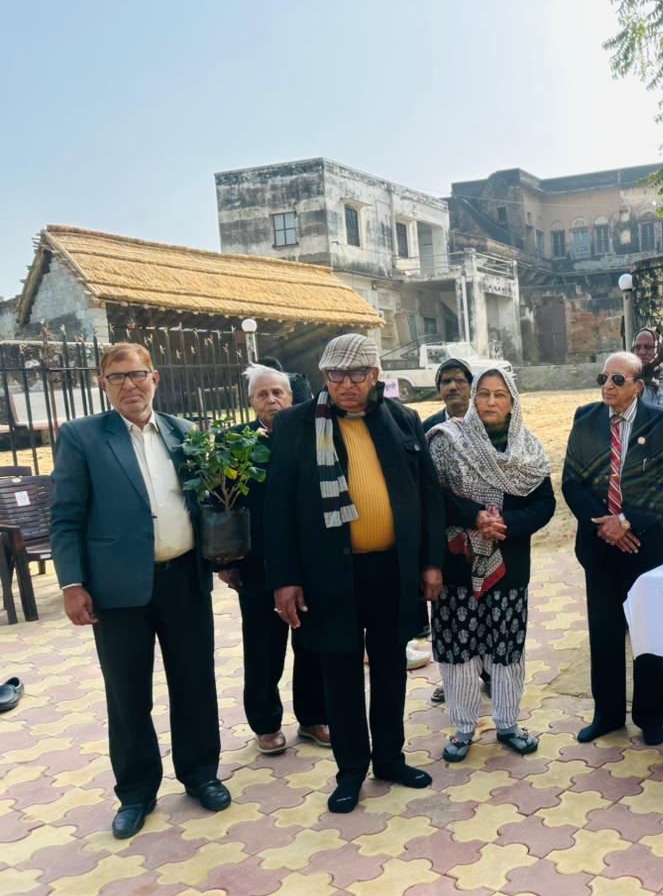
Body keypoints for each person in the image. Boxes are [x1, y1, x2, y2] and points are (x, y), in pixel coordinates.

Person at [50, 342, 229, 839]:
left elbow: (209, 501)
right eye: (117, 377)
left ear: (155, 377)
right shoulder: (84, 437)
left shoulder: (185, 433)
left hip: (184, 580)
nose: (129, 385)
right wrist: (72, 583)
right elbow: (66, 516)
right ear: (102, 385)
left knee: (195, 684)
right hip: (117, 590)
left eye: (137, 375)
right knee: (127, 694)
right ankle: (135, 792)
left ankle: (201, 775)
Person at [265, 333, 445, 813]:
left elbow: (427, 496)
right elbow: (277, 509)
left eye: (357, 374)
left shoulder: (402, 420)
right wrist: (284, 579)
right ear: (325, 377)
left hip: (392, 569)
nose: (346, 385)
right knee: (340, 672)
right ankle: (350, 771)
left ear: (375, 375)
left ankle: (390, 758)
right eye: (336, 375)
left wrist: (431, 562)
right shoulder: (296, 425)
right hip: (328, 574)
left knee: (390, 666)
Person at [428, 368, 554, 761]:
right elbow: (434, 497)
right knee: (459, 651)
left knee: (506, 650)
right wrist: (475, 517)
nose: (491, 401)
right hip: (457, 566)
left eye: (500, 395)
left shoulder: (528, 449)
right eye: (484, 393)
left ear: (513, 402)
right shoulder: (448, 442)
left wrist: (508, 524)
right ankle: (463, 728)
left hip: (509, 565)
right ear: (474, 398)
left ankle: (507, 724)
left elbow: (545, 504)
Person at [562, 352, 663, 744]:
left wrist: (627, 521)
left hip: (646, 546)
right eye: (604, 378)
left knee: (648, 632)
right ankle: (608, 714)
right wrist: (607, 526)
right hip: (600, 545)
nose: (608, 386)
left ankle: (651, 716)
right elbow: (572, 482)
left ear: (638, 386)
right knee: (604, 633)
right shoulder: (586, 419)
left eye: (618, 379)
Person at [218, 364, 328, 756]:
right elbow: (218, 502)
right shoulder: (235, 443)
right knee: (263, 647)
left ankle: (313, 717)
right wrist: (226, 561)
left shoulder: (312, 436)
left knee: (311, 643)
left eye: (278, 392)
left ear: (291, 397)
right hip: (256, 562)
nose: (271, 400)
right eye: (262, 394)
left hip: (308, 559)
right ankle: (265, 724)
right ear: (251, 401)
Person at [420, 357, 476, 679]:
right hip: (443, 536)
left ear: (471, 386)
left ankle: (487, 674)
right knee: (447, 611)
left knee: (484, 609)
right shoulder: (427, 429)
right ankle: (452, 678)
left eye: (460, 381)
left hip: (485, 533)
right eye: (445, 382)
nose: (453, 387)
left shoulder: (486, 423)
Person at [633, 327, 663, 409]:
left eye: (648, 347)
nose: (641, 352)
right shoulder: (628, 379)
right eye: (637, 348)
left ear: (659, 349)